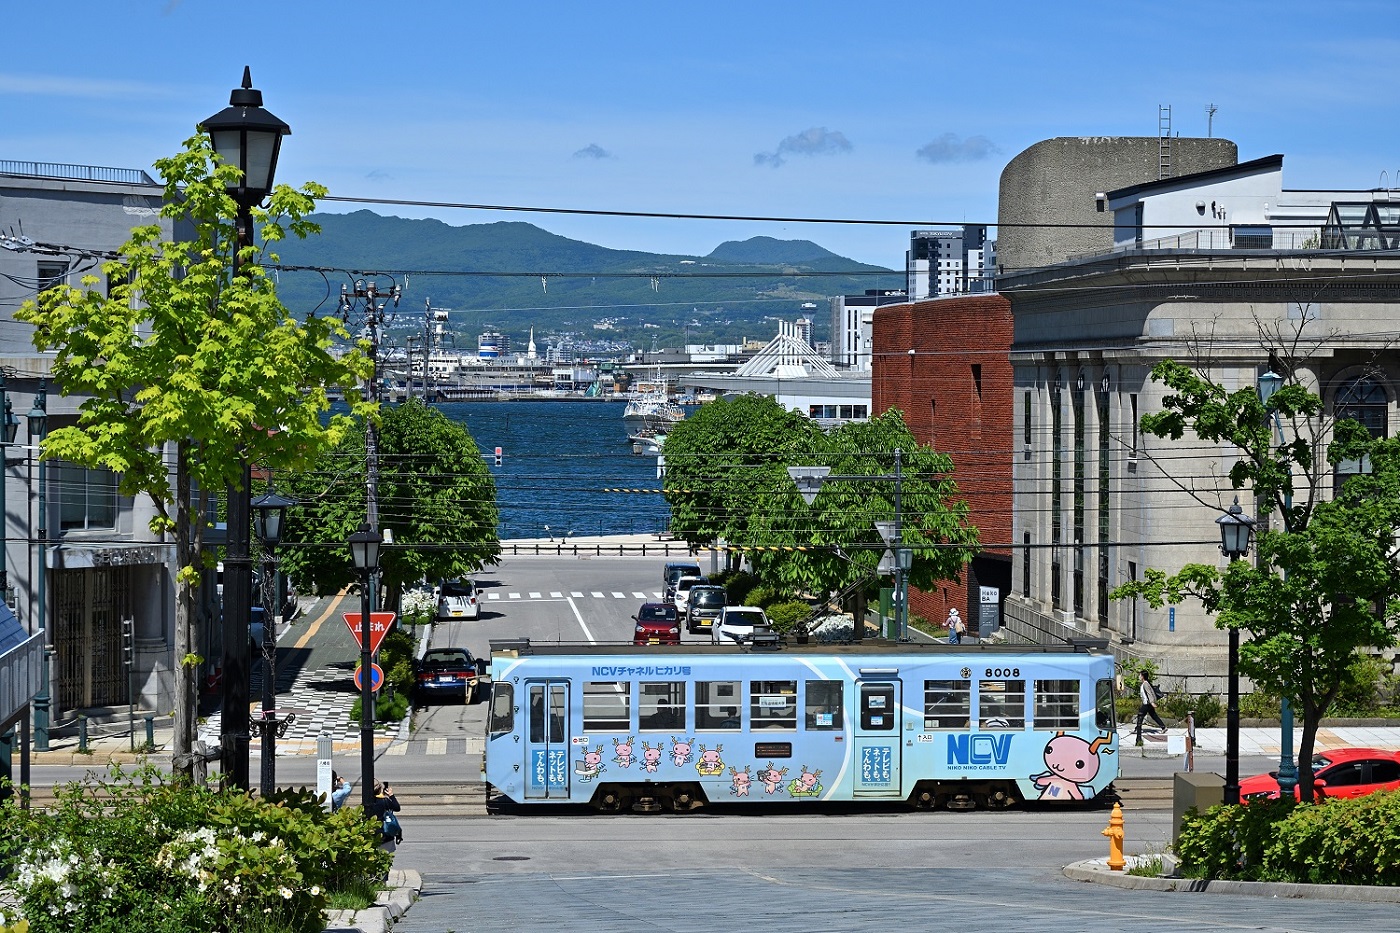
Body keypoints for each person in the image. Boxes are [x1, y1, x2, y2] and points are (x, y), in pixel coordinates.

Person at [365, 779, 402, 850]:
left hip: (371, 836)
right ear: (379, 789)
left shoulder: (366, 803)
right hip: (386, 834)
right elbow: (397, 807)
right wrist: (391, 795)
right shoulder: (384, 801)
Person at [1133, 670, 1168, 745]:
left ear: (1142, 676)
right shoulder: (1144, 684)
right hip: (1147, 703)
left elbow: (1149, 693)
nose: (1139, 676)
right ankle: (1163, 727)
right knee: (1153, 715)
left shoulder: (1145, 684)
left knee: (1140, 716)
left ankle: (1138, 732)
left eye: (1140, 675)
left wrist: (1152, 702)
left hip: (1147, 704)